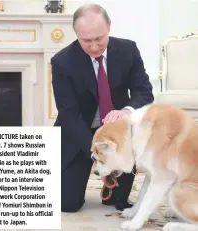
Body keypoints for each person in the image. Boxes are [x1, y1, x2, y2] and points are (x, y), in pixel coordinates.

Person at [51, 3, 154, 213]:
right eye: (86, 40)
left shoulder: (128, 50)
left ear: (109, 27)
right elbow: (69, 114)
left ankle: (113, 187)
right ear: (76, 34)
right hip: (79, 132)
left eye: (99, 38)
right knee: (67, 204)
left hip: (119, 132)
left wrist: (126, 111)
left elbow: (144, 92)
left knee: (118, 202)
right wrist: (97, 153)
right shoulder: (62, 62)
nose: (94, 46)